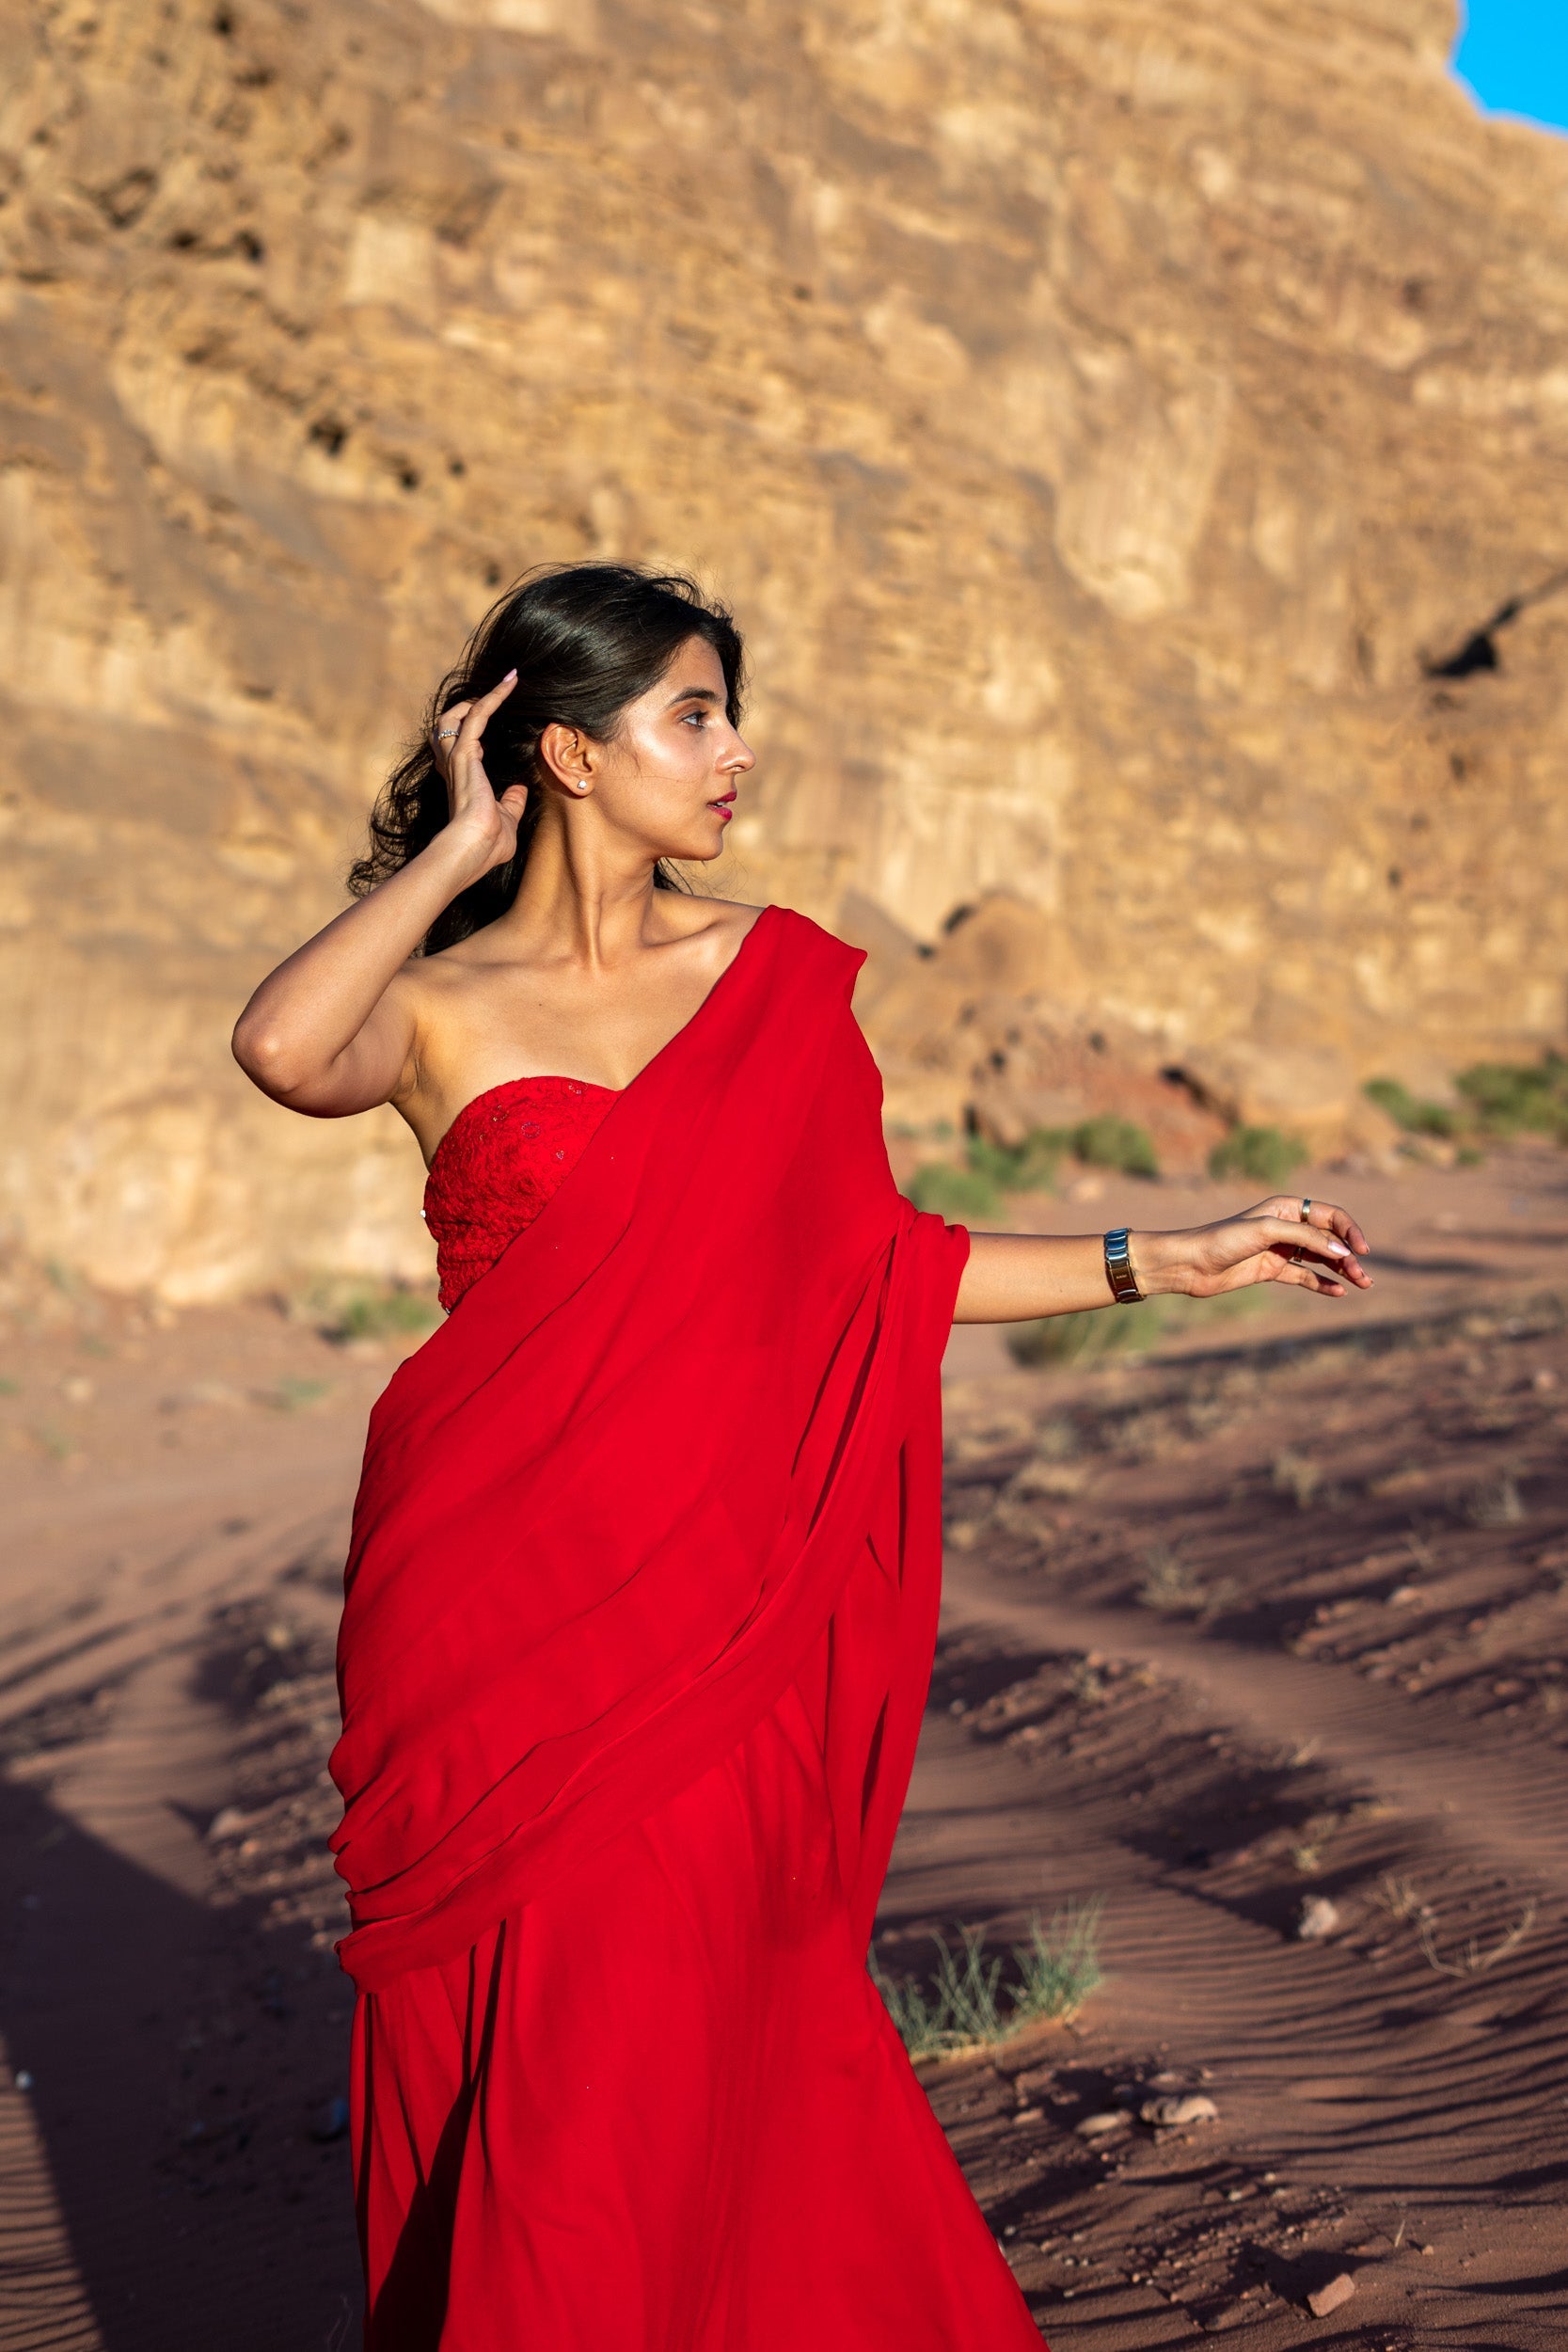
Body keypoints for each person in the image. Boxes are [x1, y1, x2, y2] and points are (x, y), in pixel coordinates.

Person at [232, 563, 1371, 2351]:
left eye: (731, 709)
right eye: (693, 712)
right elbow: (281, 1047)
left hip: (710, 1613)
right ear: (567, 751)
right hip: (492, 1610)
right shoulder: (441, 1006)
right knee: (544, 2041)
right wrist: (455, 855)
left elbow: (886, 1269)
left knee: (685, 2026)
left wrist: (1179, 1254)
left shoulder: (773, 982)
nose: (736, 749)